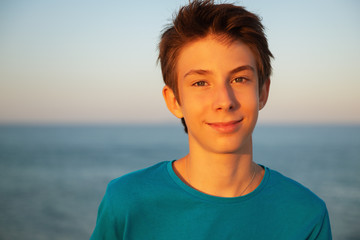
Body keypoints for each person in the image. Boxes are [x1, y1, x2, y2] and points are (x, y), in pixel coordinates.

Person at [90, 1, 332, 239]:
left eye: (239, 79)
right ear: (174, 100)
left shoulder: (306, 214)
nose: (224, 101)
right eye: (200, 83)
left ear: (263, 92)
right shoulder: (127, 201)